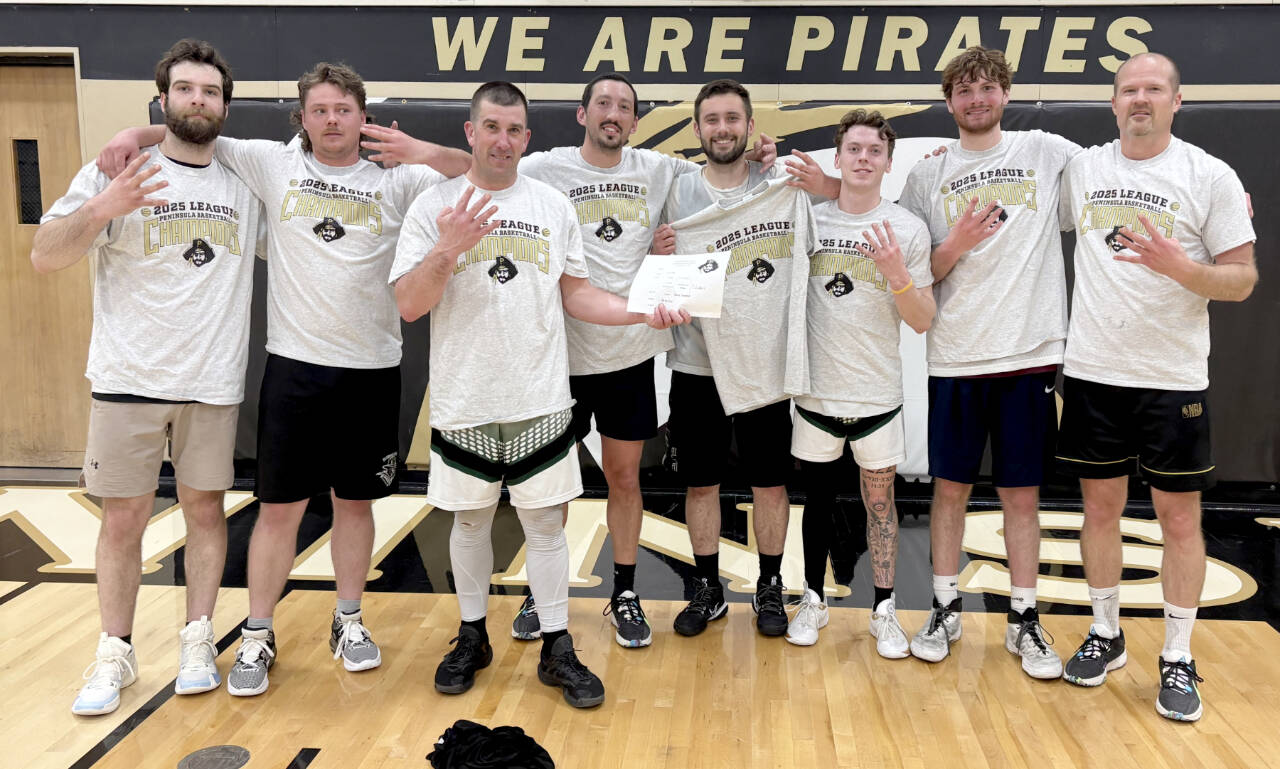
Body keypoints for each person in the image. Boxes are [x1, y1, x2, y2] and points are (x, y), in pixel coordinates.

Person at [360, 74, 788, 650]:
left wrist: (765, 157)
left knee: (624, 479)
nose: (613, 114)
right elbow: (485, 162)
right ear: (582, 114)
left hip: (630, 354)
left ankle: (626, 592)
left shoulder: (658, 171)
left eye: (625, 108)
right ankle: (542, 593)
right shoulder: (545, 171)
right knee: (549, 497)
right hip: (558, 360)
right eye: (602, 104)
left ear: (635, 123)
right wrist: (420, 153)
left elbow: (725, 173)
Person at [100, 62, 470, 696]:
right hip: (295, 368)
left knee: (356, 506)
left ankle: (348, 620)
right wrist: (133, 132)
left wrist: (420, 149)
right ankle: (257, 632)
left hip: (374, 369)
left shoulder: (400, 177)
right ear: (302, 116)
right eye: (320, 110)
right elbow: (192, 132)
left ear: (363, 117)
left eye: (345, 110)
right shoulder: (271, 162)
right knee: (279, 511)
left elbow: (473, 170)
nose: (333, 121)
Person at [389, 81, 687, 708]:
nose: (502, 140)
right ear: (471, 132)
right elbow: (410, 305)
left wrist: (641, 310)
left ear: (527, 137)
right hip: (466, 398)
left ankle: (558, 644)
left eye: (514, 129)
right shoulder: (434, 206)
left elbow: (576, 293)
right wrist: (447, 250)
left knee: (546, 527)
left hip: (541, 397)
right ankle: (472, 635)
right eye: (491, 127)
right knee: (468, 524)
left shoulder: (552, 204)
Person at [32, 39, 263, 715]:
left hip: (211, 382)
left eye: (211, 92)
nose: (199, 101)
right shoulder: (117, 171)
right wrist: (105, 205)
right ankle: (115, 650)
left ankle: (198, 637)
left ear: (224, 104)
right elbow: (45, 255)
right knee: (123, 519)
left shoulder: (243, 180)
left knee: (205, 513)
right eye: (186, 90)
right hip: (128, 378)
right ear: (164, 98)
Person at [1056, 52, 1257, 721]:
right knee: (1099, 511)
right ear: (1113, 104)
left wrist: (1182, 267)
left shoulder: (1210, 176)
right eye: (1128, 90)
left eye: (1153, 90)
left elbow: (1243, 279)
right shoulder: (1083, 168)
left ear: (1177, 101)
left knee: (1178, 519)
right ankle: (1107, 633)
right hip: (1093, 372)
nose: (1139, 99)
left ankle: (1177, 654)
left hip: (1172, 381)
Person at [897, 46, 1079, 678]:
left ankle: (1024, 618)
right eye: (965, 89)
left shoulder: (1047, 152)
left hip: (1028, 353)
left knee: (1021, 495)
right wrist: (958, 241)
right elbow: (921, 275)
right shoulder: (926, 176)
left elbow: (1119, 182)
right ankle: (945, 606)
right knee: (949, 490)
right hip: (954, 357)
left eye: (988, 87)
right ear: (949, 102)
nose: (977, 98)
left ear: (1005, 94)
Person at [652, 79, 825, 638]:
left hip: (763, 363)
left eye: (732, 118)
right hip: (696, 363)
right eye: (711, 120)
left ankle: (770, 585)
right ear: (697, 128)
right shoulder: (678, 193)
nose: (722, 128)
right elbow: (655, 274)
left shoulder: (780, 185)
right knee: (699, 483)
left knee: (770, 483)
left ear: (751, 127)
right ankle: (708, 588)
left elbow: (848, 205)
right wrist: (660, 258)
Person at [784, 110, 935, 655]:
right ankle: (813, 599)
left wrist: (897, 275)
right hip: (816, 394)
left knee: (880, 506)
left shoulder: (908, 229)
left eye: (874, 150)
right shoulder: (809, 221)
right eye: (854, 149)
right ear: (838, 158)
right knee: (817, 503)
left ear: (889, 162)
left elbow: (922, 319)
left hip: (877, 396)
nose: (864, 158)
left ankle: (885, 610)